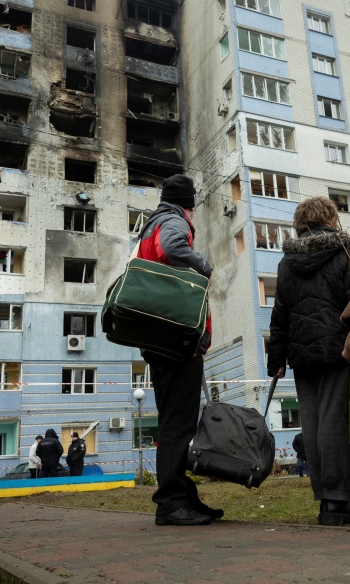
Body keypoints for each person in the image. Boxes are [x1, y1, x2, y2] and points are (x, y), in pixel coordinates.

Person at [268, 196, 350, 526]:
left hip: (301, 354)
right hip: (337, 347)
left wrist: (276, 359)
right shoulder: (345, 250)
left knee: (312, 423)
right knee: (335, 421)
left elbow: (280, 312)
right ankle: (338, 501)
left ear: (301, 223)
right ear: (330, 218)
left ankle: (325, 498)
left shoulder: (287, 262)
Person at [135, 174, 221, 526]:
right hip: (176, 337)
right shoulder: (173, 222)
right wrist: (203, 265)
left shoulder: (151, 224)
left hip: (161, 336)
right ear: (190, 205)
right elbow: (173, 248)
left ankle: (181, 495)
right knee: (178, 423)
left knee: (175, 421)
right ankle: (170, 501)